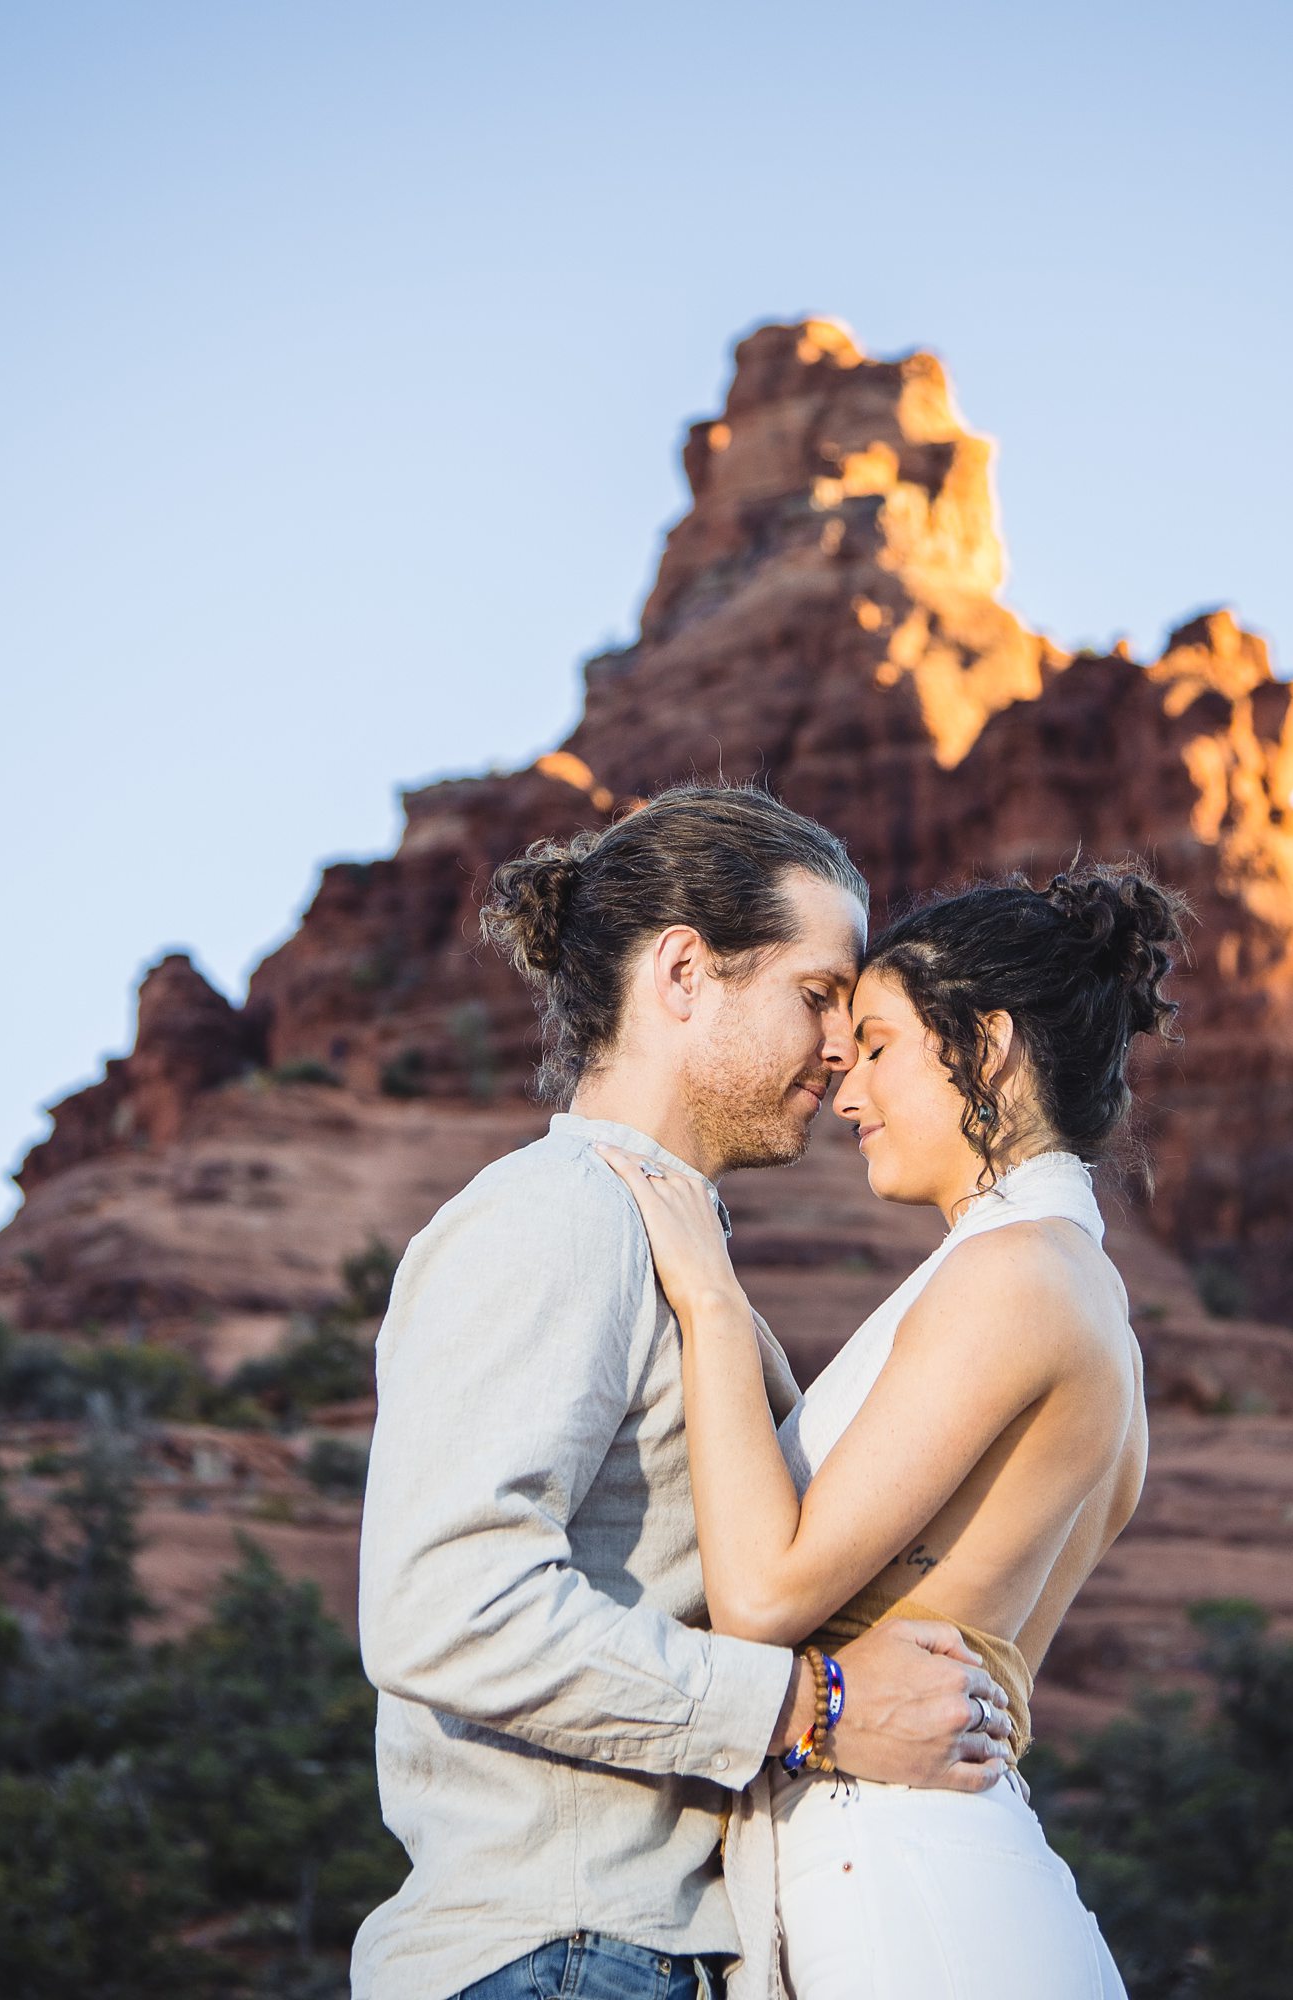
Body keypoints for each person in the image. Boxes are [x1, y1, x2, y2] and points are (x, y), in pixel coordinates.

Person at [353, 785, 1016, 2000]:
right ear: (683, 972)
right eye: (816, 995)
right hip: (558, 1955)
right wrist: (809, 1706)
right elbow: (445, 1600)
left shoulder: (659, 1240)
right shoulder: (557, 1213)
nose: (839, 1045)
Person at [595, 861, 1188, 2000]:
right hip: (939, 1876)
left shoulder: (1016, 1275)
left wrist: (710, 1300)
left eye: (878, 1043)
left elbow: (764, 1594)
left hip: (911, 1891)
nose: (845, 1083)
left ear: (989, 1045)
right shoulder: (1064, 1281)